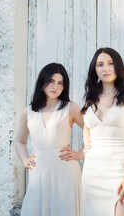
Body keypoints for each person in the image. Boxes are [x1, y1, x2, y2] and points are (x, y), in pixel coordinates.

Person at [81, 48, 124, 216]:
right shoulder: (90, 99)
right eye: (100, 65)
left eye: (111, 63)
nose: (106, 69)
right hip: (92, 175)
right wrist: (86, 146)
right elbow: (87, 126)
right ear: (94, 70)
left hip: (121, 173)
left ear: (118, 66)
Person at [15, 63, 84, 216]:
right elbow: (19, 141)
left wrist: (79, 154)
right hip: (38, 171)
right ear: (42, 82)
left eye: (60, 83)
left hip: (65, 172)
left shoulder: (70, 108)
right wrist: (25, 160)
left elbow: (93, 131)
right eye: (51, 81)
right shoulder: (28, 111)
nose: (55, 86)